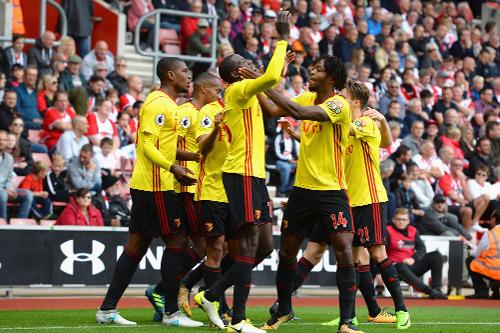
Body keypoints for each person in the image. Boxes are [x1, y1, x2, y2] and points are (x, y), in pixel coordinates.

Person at [240, 52, 362, 332]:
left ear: (331, 78)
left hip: (332, 191)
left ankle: (346, 321)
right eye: (312, 68)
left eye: (317, 70)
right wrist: (257, 86)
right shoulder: (308, 96)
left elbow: (297, 113)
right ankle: (283, 309)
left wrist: (261, 81)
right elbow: (273, 111)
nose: (311, 72)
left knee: (344, 252)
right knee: (286, 254)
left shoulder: (339, 105)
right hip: (302, 192)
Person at [194, 12, 291, 333]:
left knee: (263, 246)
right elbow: (271, 79)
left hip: (254, 176)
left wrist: (280, 65)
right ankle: (237, 319)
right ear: (238, 72)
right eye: (247, 62)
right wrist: (282, 37)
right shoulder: (236, 91)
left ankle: (211, 294)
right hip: (241, 175)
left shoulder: (246, 93)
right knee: (248, 246)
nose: (252, 64)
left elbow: (275, 106)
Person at [96, 57, 200, 327]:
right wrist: (172, 167)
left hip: (149, 184)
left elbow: (163, 145)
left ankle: (107, 309)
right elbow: (145, 146)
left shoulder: (167, 104)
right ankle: (171, 313)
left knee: (137, 246)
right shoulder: (159, 104)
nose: (189, 76)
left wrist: (193, 155)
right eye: (184, 71)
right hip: (156, 184)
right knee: (177, 243)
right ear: (169, 75)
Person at [320, 81, 410, 328]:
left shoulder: (364, 123)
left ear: (355, 102)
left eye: (343, 97)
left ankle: (402, 310)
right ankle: (359, 313)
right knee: (357, 259)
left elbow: (350, 130)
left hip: (371, 198)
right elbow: (383, 142)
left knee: (377, 253)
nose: (339, 100)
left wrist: (380, 119)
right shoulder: (356, 124)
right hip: (351, 201)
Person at [152, 73, 223, 320]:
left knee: (206, 245)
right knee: (203, 245)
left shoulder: (204, 114)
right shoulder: (186, 112)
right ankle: (164, 290)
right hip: (186, 187)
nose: (218, 97)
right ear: (204, 89)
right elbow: (169, 146)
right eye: (216, 91)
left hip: (199, 186)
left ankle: (165, 289)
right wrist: (193, 157)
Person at [387, 208, 447, 299]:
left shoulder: (413, 230)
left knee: (436, 255)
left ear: (408, 221)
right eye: (398, 219)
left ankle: (437, 289)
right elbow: (381, 252)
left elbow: (421, 249)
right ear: (393, 220)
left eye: (404, 219)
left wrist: (413, 259)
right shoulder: (388, 231)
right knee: (399, 266)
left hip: (412, 266)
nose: (401, 222)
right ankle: (429, 291)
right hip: (395, 269)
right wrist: (379, 272)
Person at [467, 209, 500, 299]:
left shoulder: (490, 234)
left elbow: (477, 253)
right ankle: (496, 293)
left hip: (494, 272)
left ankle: (481, 291)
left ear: (493, 220)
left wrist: (471, 252)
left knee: (470, 260)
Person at [0, 130, 33, 220]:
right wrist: (4, 190)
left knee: (28, 194)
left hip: (5, 189)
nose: (1, 142)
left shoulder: (9, 158)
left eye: (4, 140)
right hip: (1, 191)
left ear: (7, 142)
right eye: (0, 139)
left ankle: (20, 225)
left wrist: (10, 188)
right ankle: (3, 225)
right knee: (2, 194)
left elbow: (9, 178)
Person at [274, 122, 299, 197]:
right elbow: (277, 153)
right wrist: (287, 159)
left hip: (291, 161)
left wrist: (297, 160)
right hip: (280, 161)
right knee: (286, 168)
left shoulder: (292, 140)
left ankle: (289, 188)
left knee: (301, 167)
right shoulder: (278, 138)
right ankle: (282, 190)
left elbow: (295, 153)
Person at [15, 65, 42, 129]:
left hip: (38, 123)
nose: (31, 78)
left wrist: (41, 119)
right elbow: (17, 112)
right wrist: (33, 120)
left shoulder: (37, 92)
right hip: (25, 124)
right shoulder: (17, 91)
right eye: (29, 75)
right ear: (24, 76)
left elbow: (41, 111)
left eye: (34, 75)